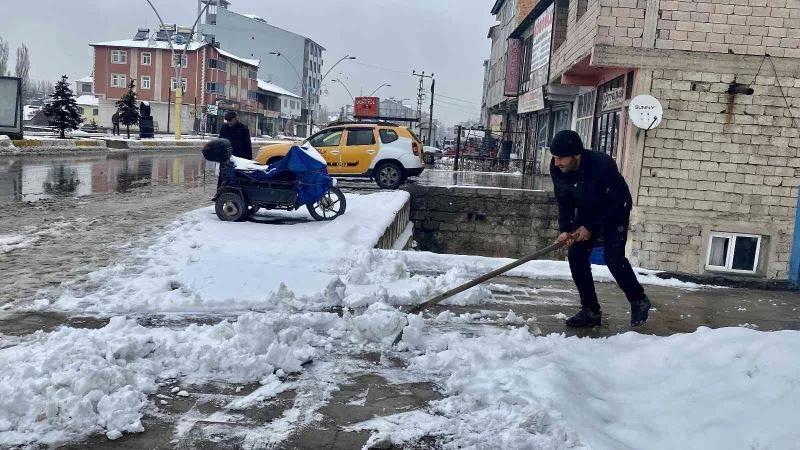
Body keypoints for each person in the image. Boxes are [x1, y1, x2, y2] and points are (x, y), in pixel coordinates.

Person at [549, 129, 651, 328]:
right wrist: (566, 229)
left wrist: (591, 227)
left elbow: (619, 201)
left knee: (613, 258)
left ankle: (639, 300)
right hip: (587, 212)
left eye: (561, 158)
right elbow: (564, 201)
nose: (556, 163)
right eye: (554, 158)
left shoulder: (601, 165)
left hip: (614, 210)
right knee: (576, 255)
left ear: (576, 155)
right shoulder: (558, 169)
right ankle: (590, 311)